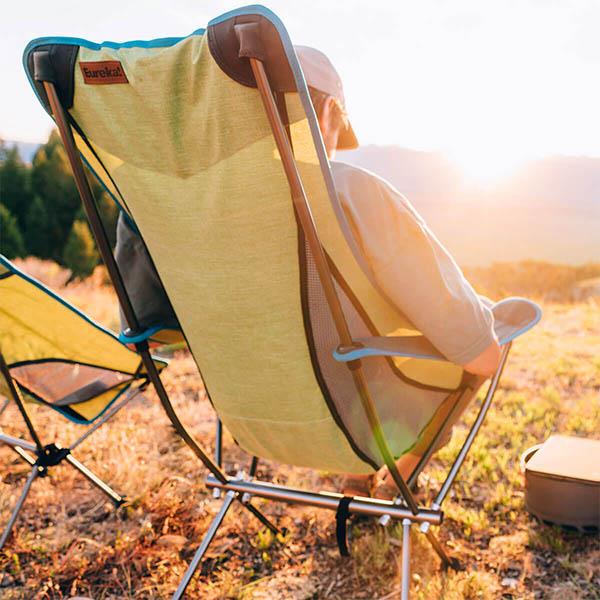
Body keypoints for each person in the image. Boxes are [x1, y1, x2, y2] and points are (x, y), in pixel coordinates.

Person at [114, 45, 501, 496]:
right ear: (331, 112)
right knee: (482, 338)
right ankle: (399, 477)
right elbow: (480, 353)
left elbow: (152, 333)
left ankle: (361, 480)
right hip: (349, 425)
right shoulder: (355, 195)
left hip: (252, 422)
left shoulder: (156, 208)